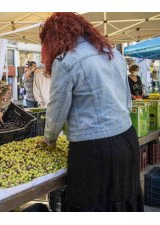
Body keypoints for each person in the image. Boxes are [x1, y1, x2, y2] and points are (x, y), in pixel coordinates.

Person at [39, 12, 143, 212]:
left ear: (54, 38)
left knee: (92, 205)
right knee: (123, 199)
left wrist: (49, 139)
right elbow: (127, 102)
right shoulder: (111, 52)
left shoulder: (66, 61)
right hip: (127, 139)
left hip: (94, 150)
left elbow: (56, 111)